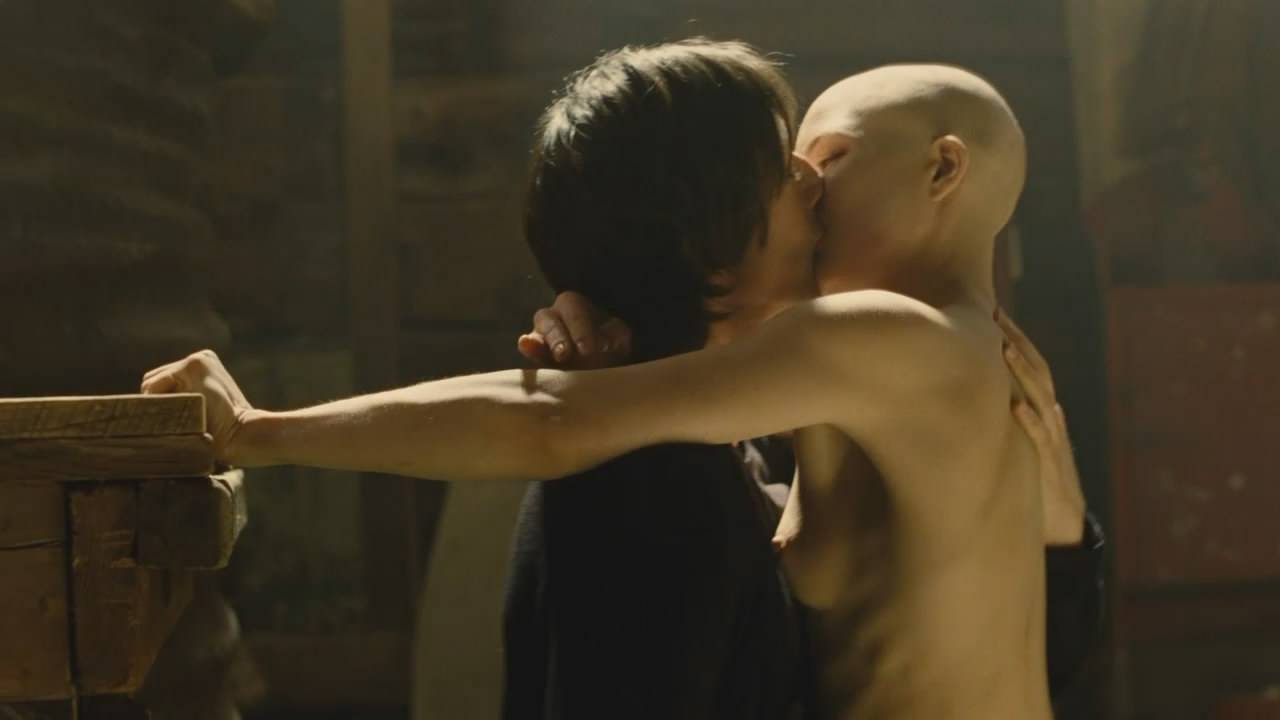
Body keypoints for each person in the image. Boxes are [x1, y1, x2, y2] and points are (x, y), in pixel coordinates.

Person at [143, 54, 1099, 719]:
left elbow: (558, 423)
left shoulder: (885, 342)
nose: (809, 187)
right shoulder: (885, 371)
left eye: (830, 161)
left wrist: (261, 429)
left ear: (943, 170)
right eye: (789, 171)